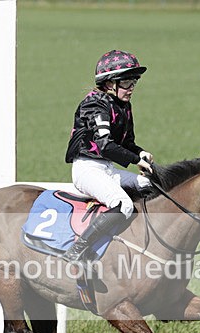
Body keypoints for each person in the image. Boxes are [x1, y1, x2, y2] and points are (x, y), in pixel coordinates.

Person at [62, 49, 154, 265]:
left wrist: (140, 152)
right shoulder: (95, 104)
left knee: (149, 186)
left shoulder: (124, 106)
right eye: (127, 82)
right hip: (87, 169)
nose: (131, 88)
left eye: (134, 82)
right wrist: (135, 160)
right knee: (123, 204)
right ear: (110, 83)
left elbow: (126, 143)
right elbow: (105, 145)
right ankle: (77, 250)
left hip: (107, 169)